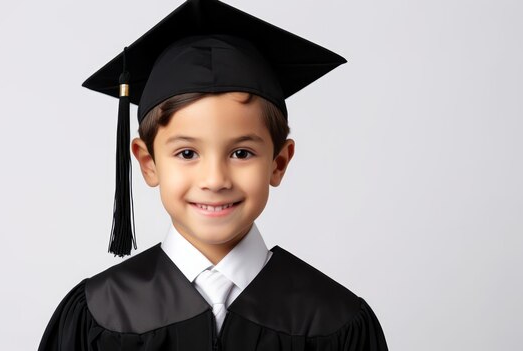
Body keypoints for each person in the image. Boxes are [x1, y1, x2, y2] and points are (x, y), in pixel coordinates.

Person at [38, 0, 388, 350]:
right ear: (148, 163)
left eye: (241, 153)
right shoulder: (99, 314)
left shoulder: (335, 320)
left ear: (279, 163)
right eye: (187, 153)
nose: (215, 179)